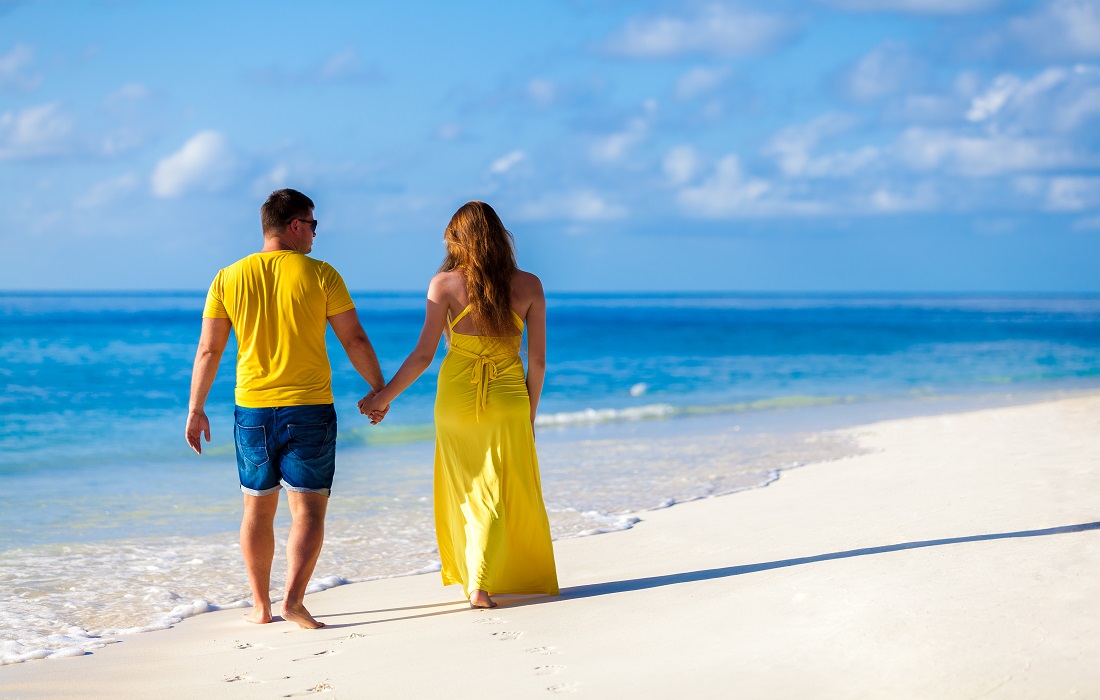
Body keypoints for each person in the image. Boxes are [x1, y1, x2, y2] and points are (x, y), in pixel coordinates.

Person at [185, 188, 385, 629]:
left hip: (251, 410)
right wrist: (378, 389)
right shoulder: (321, 275)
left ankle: (260, 606)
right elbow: (354, 339)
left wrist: (196, 408)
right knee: (308, 512)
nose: (316, 234)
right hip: (309, 408)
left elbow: (208, 350)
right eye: (313, 225)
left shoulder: (227, 277)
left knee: (256, 509)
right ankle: (293, 601)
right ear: (295, 224)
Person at [360, 201, 558, 609]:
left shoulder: (443, 284)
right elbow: (537, 362)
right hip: (507, 398)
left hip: (455, 398)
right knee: (495, 487)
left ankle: (477, 580)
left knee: (468, 487)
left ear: (458, 240)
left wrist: (383, 397)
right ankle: (481, 582)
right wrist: (530, 411)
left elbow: (422, 357)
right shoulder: (530, 285)